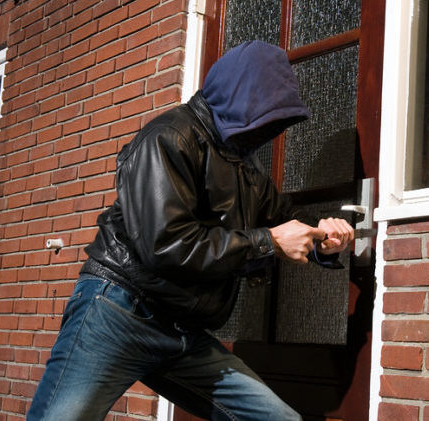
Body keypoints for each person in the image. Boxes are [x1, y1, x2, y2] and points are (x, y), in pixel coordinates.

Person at [26, 40, 354, 421]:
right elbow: (166, 244)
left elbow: (286, 220)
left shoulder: (246, 171)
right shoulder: (168, 137)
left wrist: (322, 241)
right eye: (264, 116)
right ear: (237, 98)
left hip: (183, 333)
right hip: (119, 311)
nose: (268, 132)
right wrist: (269, 242)